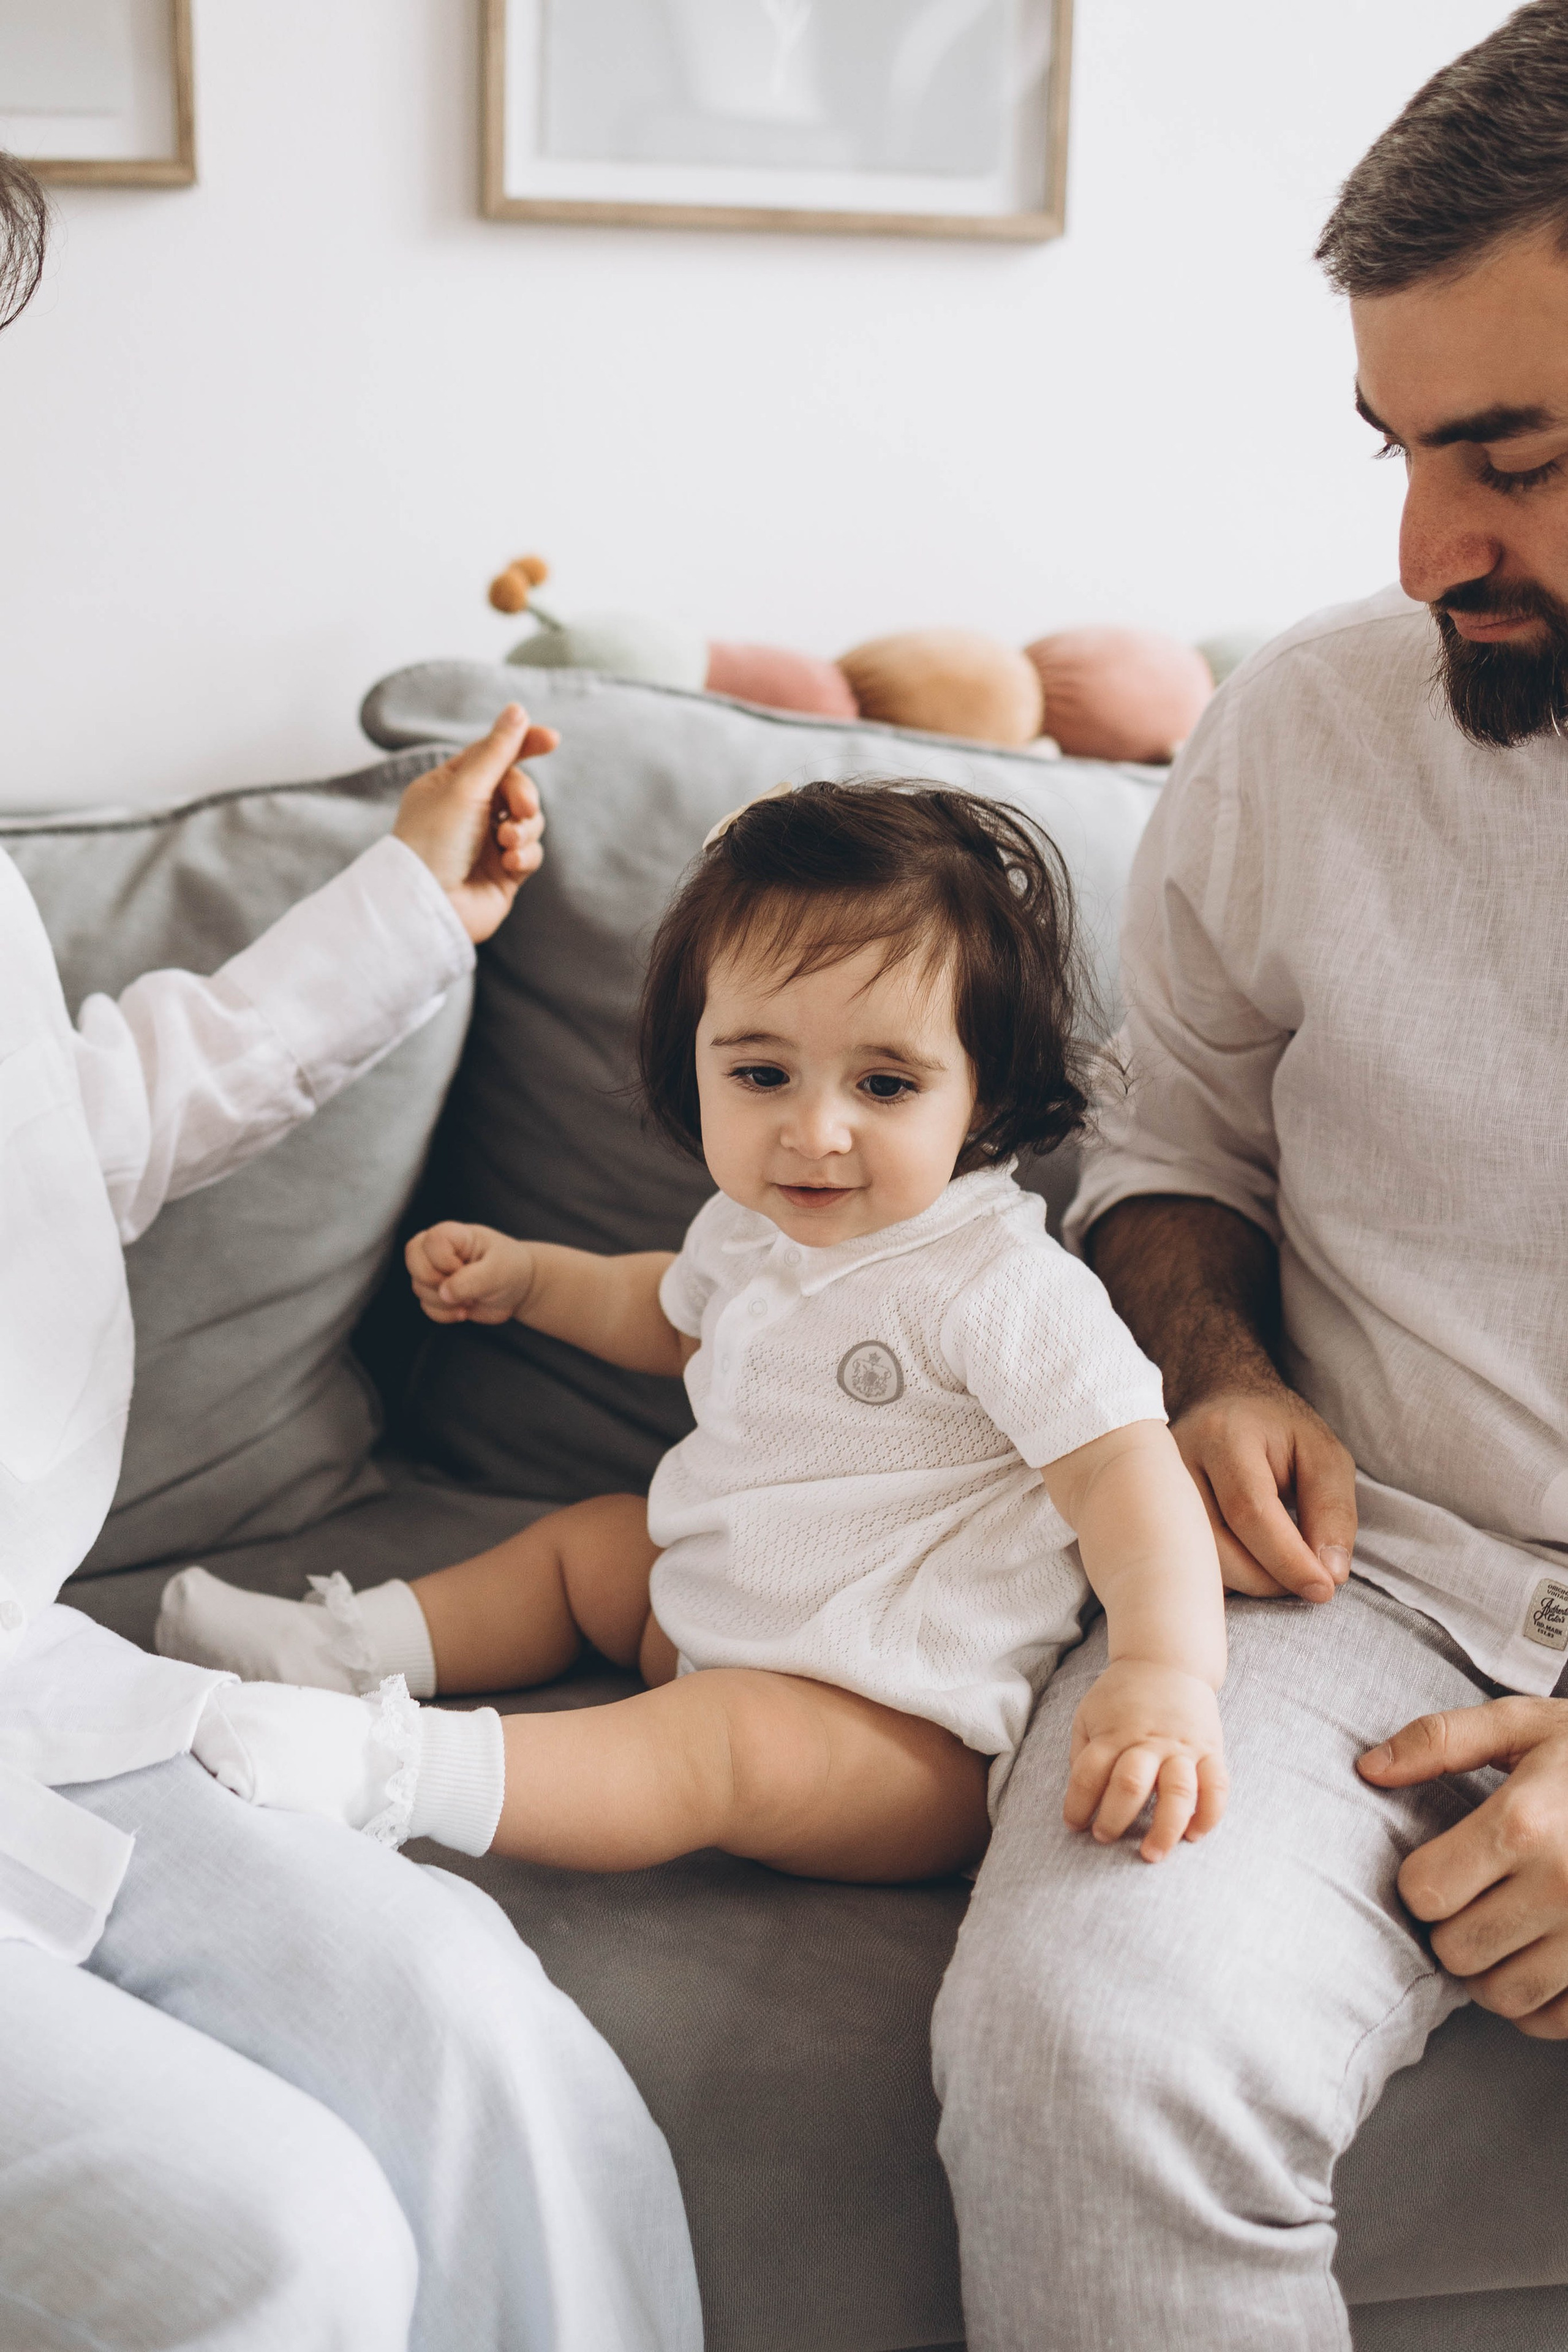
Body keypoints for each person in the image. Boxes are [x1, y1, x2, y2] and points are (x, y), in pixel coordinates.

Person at [0, 155, 700, 2352]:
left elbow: (76, 1128)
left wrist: (405, 913)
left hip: (33, 1692)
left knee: (481, 2048)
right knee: (280, 2245)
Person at [929, 7, 1568, 2348]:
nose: (1429, 552)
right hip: (1365, 1602)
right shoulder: (1311, 725)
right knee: (1087, 2049)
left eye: (1516, 456)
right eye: (1397, 449)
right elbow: (1168, 1148)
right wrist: (1202, 1361)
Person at [156, 781, 1228, 1881]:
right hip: (710, 1620)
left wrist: (1164, 1673)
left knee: (716, 1744)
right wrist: (532, 1281)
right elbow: (672, 1316)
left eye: (886, 1083)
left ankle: (385, 1770)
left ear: (985, 1096)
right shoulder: (752, 1227)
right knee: (595, 1545)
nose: (815, 1132)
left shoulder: (998, 1284)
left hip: (891, 1739)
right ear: (697, 1061)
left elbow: (1122, 1476)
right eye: (762, 1075)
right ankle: (336, 1649)